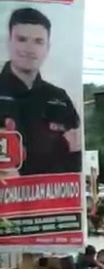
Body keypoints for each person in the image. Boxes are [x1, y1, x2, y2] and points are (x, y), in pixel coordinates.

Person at [0, 7, 81, 177]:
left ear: (47, 47)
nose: (29, 49)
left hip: (51, 200)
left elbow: (75, 159)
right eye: (22, 39)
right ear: (9, 42)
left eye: (38, 41)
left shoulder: (59, 98)